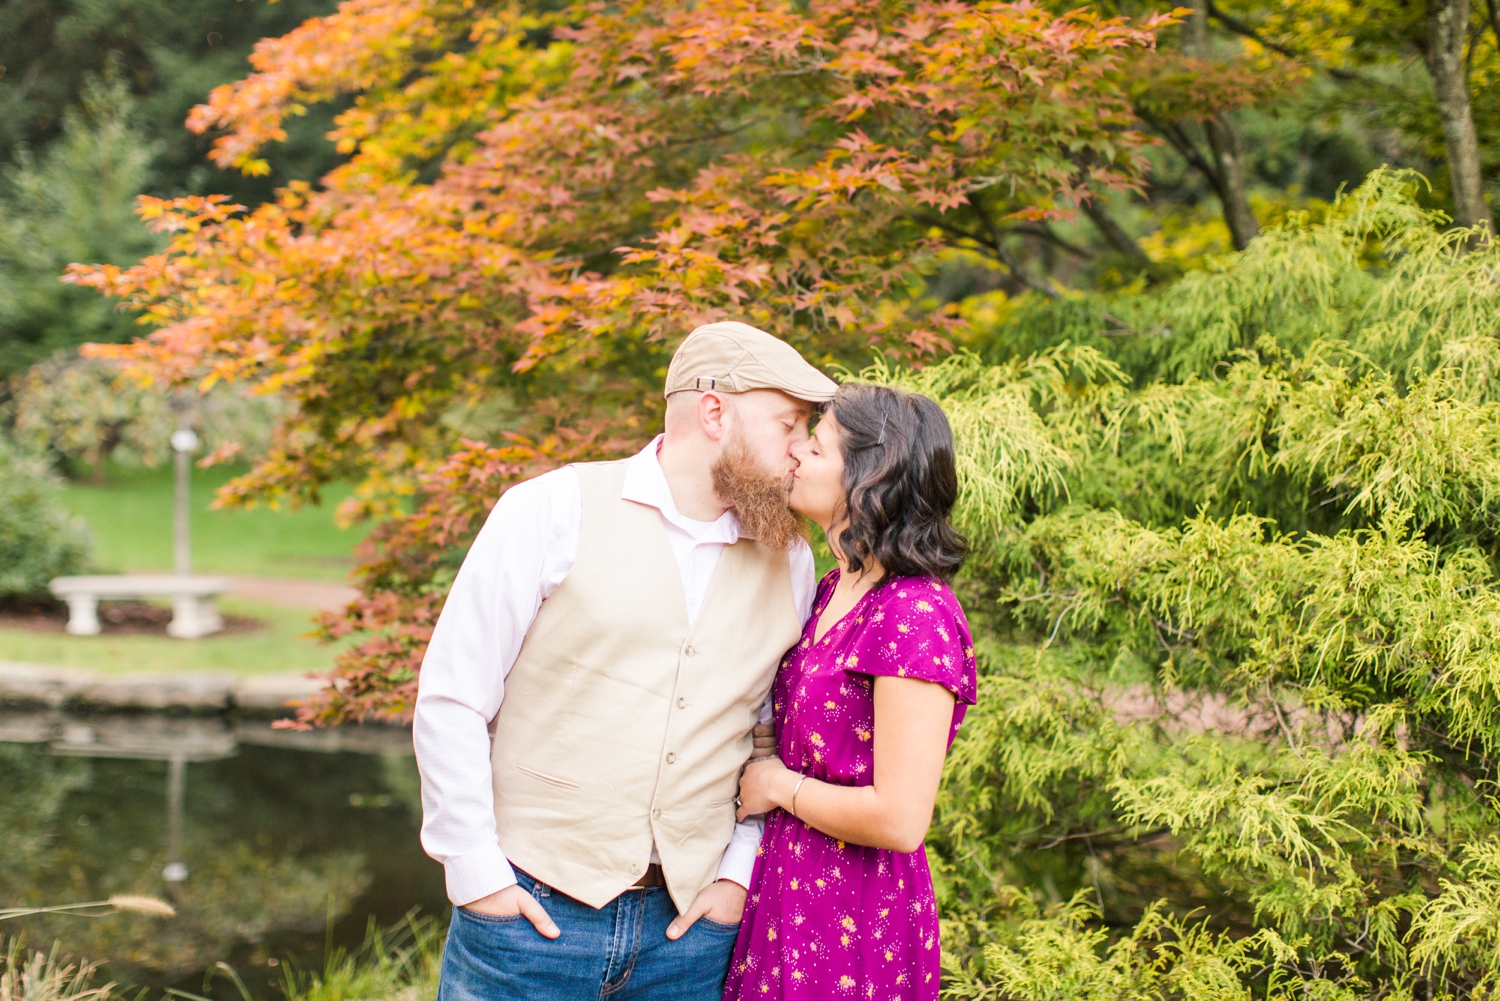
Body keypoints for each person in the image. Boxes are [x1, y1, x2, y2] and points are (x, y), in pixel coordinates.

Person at [414, 321, 837, 1001]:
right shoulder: (548, 510)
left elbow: (767, 732)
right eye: (787, 424)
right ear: (714, 411)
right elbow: (453, 698)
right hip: (527, 918)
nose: (799, 450)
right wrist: (476, 873)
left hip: (690, 937)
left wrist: (737, 875)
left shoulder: (789, 555)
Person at [726, 383, 977, 1001]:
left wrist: (777, 785)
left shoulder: (915, 614)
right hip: (784, 890)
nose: (794, 458)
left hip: (853, 915)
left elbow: (899, 819)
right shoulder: (831, 586)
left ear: (869, 475)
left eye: (814, 448)